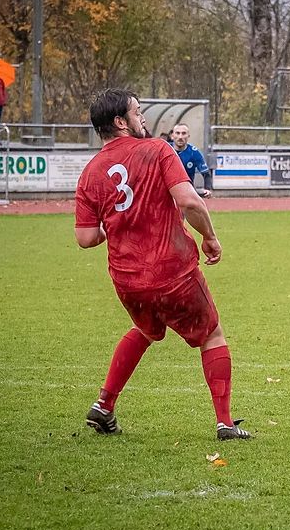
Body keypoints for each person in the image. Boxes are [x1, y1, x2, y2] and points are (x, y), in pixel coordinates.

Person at [75, 88, 249, 441]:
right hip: (172, 271)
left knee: (146, 330)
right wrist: (210, 237)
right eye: (137, 112)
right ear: (120, 122)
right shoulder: (157, 149)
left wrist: (117, 225)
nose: (143, 118)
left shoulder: (90, 173)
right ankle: (225, 423)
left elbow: (86, 237)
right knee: (212, 335)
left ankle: (104, 405)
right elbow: (190, 202)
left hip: (128, 279)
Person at [170, 123, 214, 198]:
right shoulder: (165, 149)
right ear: (172, 136)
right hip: (167, 191)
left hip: (187, 192)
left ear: (188, 136)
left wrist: (207, 189)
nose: (180, 137)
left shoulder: (194, 152)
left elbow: (206, 174)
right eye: (177, 133)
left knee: (200, 206)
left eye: (184, 133)